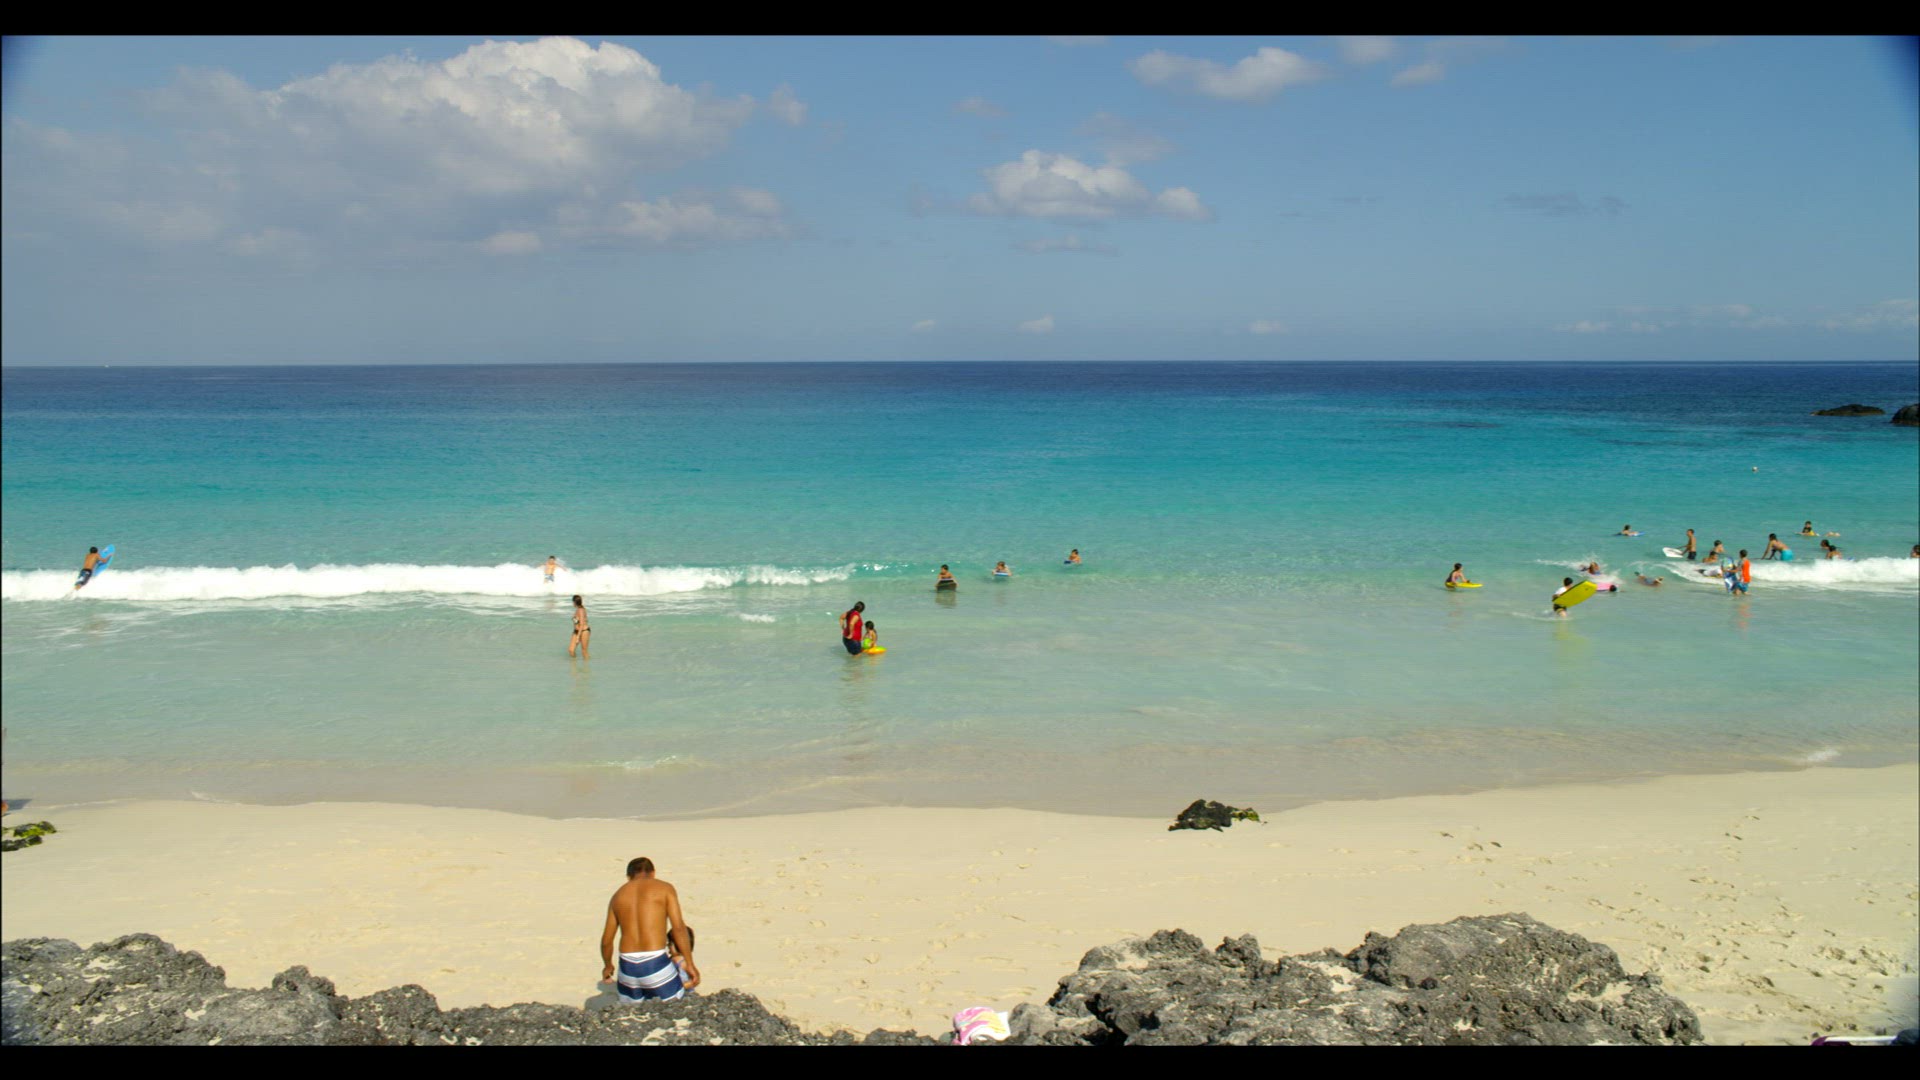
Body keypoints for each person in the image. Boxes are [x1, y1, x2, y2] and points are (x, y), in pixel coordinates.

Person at [600, 857, 698, 1003]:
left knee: (632, 1012)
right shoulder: (665, 889)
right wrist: (689, 964)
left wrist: (607, 965)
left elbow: (606, 941)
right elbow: (678, 928)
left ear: (628, 876)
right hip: (655, 962)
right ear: (653, 873)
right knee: (677, 1003)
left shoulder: (618, 896)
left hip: (627, 966)